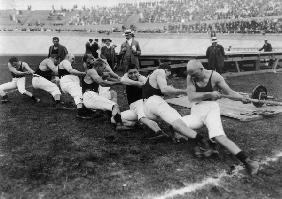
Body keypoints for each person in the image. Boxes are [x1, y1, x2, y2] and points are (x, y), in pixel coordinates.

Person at [182, 59, 259, 175]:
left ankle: (249, 162)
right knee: (177, 124)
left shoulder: (215, 76)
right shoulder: (191, 77)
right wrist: (209, 94)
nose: (194, 77)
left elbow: (230, 93)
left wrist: (241, 99)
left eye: (196, 74)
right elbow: (192, 97)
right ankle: (206, 144)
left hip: (211, 108)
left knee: (219, 137)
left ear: (201, 69)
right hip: (196, 109)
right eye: (191, 75)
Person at [142, 63, 211, 149]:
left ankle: (177, 134)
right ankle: (202, 141)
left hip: (147, 108)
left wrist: (172, 90)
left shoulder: (150, 76)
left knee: (173, 117)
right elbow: (164, 89)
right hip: (154, 102)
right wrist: (184, 91)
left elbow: (162, 90)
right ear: (166, 70)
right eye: (168, 75)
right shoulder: (160, 71)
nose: (166, 78)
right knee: (178, 122)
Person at [118, 63, 169, 139]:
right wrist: (138, 83)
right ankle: (135, 124)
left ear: (138, 72)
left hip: (140, 103)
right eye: (130, 73)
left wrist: (141, 83)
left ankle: (159, 131)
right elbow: (122, 80)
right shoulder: (127, 79)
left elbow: (145, 82)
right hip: (133, 108)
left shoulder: (142, 78)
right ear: (127, 74)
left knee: (143, 118)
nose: (133, 75)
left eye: (135, 72)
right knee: (115, 118)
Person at [82, 54, 129, 131]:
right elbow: (103, 83)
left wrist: (121, 80)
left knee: (112, 93)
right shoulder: (92, 71)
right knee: (114, 105)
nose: (104, 70)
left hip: (93, 96)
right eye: (103, 68)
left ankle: (111, 114)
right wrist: (119, 83)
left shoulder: (95, 72)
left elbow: (108, 76)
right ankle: (119, 125)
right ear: (98, 67)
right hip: (90, 96)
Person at [58, 53, 90, 118]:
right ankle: (80, 112)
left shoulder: (65, 64)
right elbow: (71, 71)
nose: (73, 60)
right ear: (67, 57)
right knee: (77, 93)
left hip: (69, 82)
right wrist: (83, 73)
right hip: (68, 81)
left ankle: (84, 108)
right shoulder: (65, 62)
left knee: (82, 92)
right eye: (72, 58)